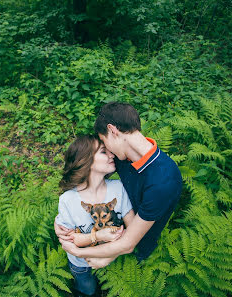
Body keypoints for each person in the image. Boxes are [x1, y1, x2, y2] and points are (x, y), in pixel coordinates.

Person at [55, 102, 183, 268]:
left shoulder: (164, 180)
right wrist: (60, 224)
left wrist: (79, 252)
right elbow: (86, 172)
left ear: (113, 130)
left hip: (138, 242)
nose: (108, 152)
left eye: (103, 141)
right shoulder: (121, 155)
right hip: (114, 232)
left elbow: (129, 243)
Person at [55, 134, 135, 296]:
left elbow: (134, 232)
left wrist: (110, 256)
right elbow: (71, 243)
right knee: (87, 290)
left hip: (115, 258)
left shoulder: (119, 188)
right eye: (104, 152)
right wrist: (98, 235)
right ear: (86, 160)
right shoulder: (68, 200)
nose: (112, 155)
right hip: (81, 264)